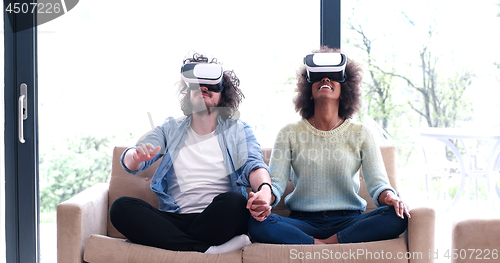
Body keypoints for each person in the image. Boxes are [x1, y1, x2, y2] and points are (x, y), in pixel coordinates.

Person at [110, 53, 275, 254]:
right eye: (197, 84)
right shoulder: (170, 128)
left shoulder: (239, 131)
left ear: (223, 93)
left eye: (211, 85)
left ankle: (176, 244)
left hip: (218, 219)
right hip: (176, 219)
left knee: (235, 202)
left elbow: (254, 165)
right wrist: (135, 156)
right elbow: (132, 161)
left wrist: (265, 190)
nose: (203, 88)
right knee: (121, 208)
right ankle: (206, 249)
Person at [247, 47, 410, 245]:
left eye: (333, 76)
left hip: (350, 220)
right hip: (303, 221)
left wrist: (391, 197)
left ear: (344, 90)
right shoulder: (289, 133)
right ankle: (325, 244)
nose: (325, 79)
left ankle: (321, 244)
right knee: (256, 224)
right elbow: (276, 184)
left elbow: (379, 185)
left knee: (396, 216)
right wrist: (264, 196)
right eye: (318, 77)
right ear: (308, 91)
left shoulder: (361, 133)